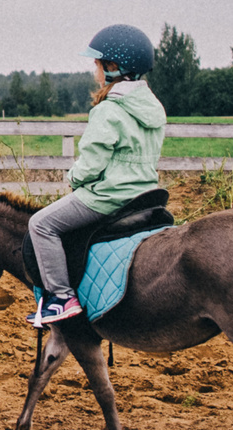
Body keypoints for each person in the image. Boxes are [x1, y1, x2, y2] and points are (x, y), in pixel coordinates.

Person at [29, 23, 168, 326]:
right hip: (144, 195)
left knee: (40, 224)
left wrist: (74, 177)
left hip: (108, 197)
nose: (94, 70)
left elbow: (91, 165)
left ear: (114, 67)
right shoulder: (154, 109)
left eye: (97, 63)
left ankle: (61, 298)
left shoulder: (107, 110)